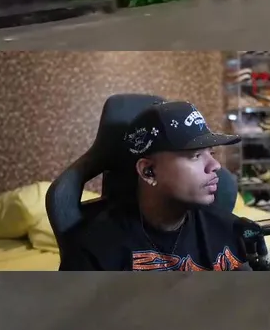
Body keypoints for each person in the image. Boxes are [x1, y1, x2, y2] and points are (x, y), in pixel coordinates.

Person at [58, 100, 253, 271]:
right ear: (148, 171)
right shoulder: (95, 249)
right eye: (195, 155)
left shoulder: (230, 231)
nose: (215, 165)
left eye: (212, 153)